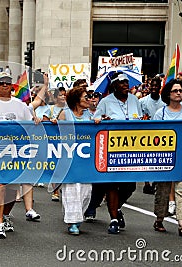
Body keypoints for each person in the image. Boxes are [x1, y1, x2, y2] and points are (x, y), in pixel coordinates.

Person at [0, 72, 39, 239]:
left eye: (8, 83)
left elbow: (30, 124)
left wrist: (37, 120)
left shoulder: (20, 104)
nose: (5, 85)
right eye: (1, 83)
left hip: (16, 153)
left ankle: (5, 216)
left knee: (12, 190)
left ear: (12, 86)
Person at [93, 72, 142, 234]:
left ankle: (116, 207)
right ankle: (113, 218)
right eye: (121, 83)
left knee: (130, 186)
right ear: (114, 85)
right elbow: (96, 120)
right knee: (112, 183)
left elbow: (140, 120)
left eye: (127, 82)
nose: (125, 85)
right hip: (112, 149)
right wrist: (102, 120)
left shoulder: (135, 100)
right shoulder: (105, 102)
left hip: (132, 150)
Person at [153, 79, 182, 237]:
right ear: (168, 94)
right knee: (164, 187)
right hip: (165, 155)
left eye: (180, 90)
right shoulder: (161, 113)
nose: (179, 93)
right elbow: (154, 138)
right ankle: (159, 218)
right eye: (175, 90)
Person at [57, 87, 92, 235]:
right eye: (86, 97)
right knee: (72, 189)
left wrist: (98, 122)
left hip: (85, 159)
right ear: (77, 100)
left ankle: (78, 216)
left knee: (86, 191)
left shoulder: (89, 115)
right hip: (69, 158)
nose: (89, 99)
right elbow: (56, 134)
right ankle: (73, 222)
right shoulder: (65, 114)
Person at [139, 77, 165, 195]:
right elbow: (138, 117)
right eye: (152, 85)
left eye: (156, 85)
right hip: (145, 134)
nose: (154, 88)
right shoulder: (142, 101)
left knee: (157, 158)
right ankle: (147, 183)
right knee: (145, 159)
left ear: (160, 87)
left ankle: (155, 180)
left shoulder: (164, 102)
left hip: (160, 134)